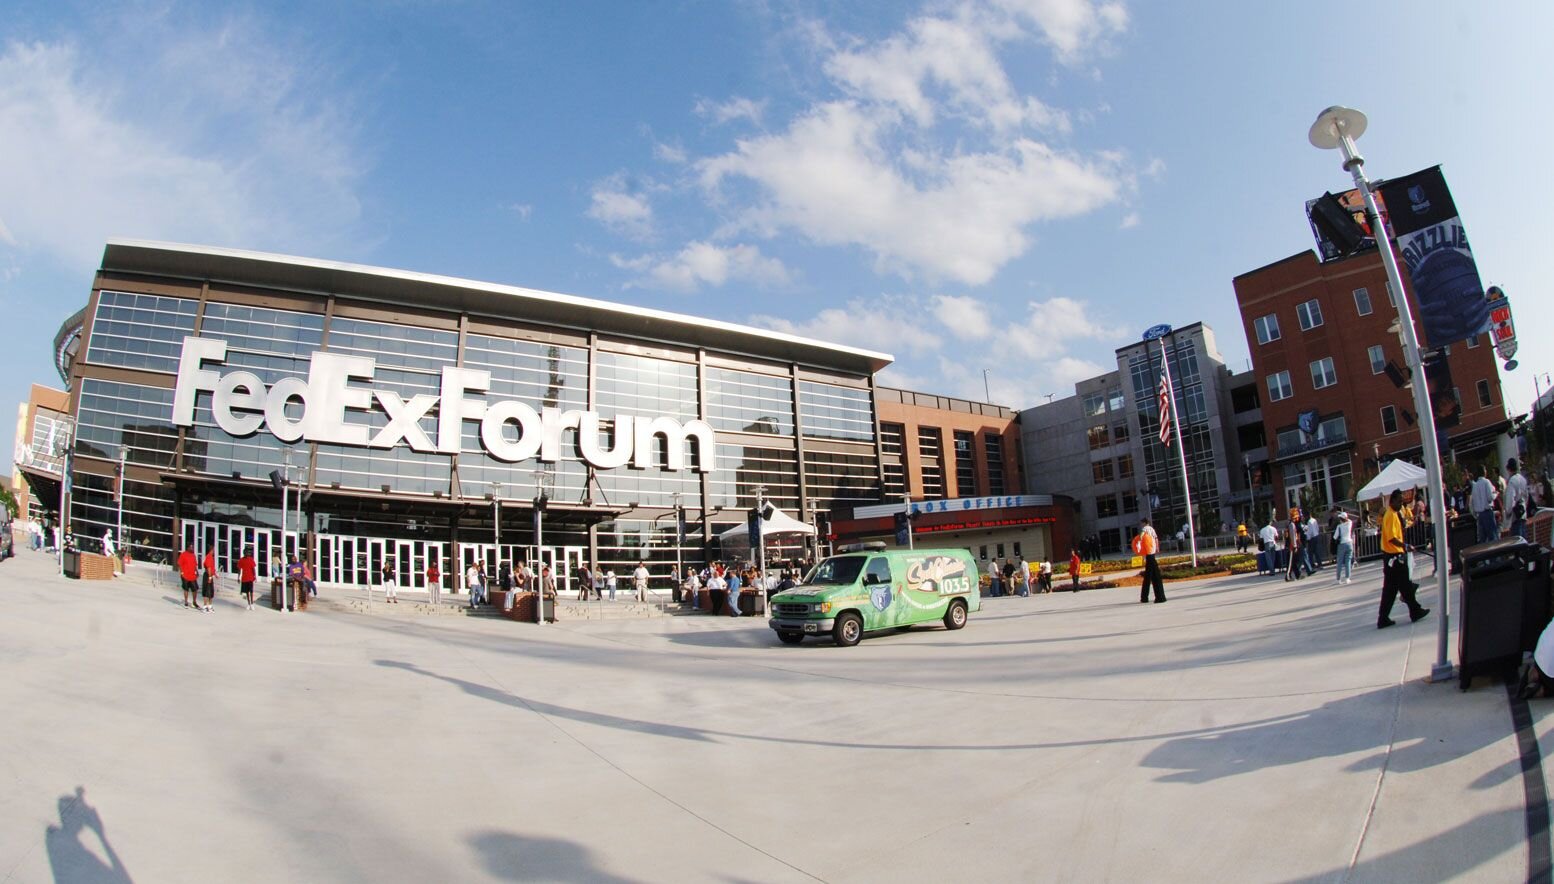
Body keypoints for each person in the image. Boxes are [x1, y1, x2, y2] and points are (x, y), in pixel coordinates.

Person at [1378, 488, 1429, 629]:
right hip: (1394, 557)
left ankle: (1383, 618)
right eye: (1399, 501)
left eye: (1402, 501)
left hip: (1392, 557)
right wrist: (1405, 545)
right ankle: (1415, 611)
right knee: (1405, 586)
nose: (1401, 504)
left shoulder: (1394, 513)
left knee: (1390, 590)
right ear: (1392, 500)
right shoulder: (1390, 515)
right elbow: (1391, 538)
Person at [1470, 464, 1499, 545]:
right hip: (1487, 512)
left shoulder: (1475, 486)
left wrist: (1475, 514)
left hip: (1480, 515)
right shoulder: (1486, 482)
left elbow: (1472, 502)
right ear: (1484, 472)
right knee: (1492, 537)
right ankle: (1495, 557)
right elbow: (1490, 497)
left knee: (1483, 540)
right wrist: (1496, 494)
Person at [1138, 518, 1165, 603]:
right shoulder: (1152, 529)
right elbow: (1156, 539)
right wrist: (1157, 549)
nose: (1141, 524)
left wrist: (1139, 542)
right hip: (1152, 553)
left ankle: (1150, 597)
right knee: (1152, 575)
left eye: (1141, 523)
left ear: (1145, 523)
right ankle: (1147, 597)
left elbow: (1142, 535)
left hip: (1148, 553)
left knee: (1150, 576)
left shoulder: (1145, 528)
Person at [1505, 458, 1530, 541]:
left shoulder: (1511, 481)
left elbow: (1510, 500)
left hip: (1515, 516)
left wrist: (1508, 513)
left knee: (1517, 541)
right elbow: (1526, 496)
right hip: (1523, 512)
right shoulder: (1522, 479)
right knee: (1524, 538)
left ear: (1508, 469)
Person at [1332, 511, 1355, 585]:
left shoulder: (1339, 526)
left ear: (1341, 519)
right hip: (1349, 543)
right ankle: (1347, 578)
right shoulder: (1349, 523)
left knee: (1339, 562)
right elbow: (1349, 520)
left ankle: (1338, 579)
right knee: (1348, 561)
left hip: (1342, 544)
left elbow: (1335, 537)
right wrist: (1346, 518)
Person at [238, 546, 257, 610]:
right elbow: (239, 569)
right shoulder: (241, 560)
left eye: (248, 552)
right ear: (244, 553)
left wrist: (255, 576)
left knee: (251, 591)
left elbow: (253, 568)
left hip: (250, 578)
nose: (247, 553)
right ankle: (249, 604)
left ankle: (252, 603)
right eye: (246, 552)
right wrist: (238, 577)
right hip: (244, 578)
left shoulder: (251, 559)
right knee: (246, 592)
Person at [200, 547, 217, 612]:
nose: (214, 552)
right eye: (213, 550)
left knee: (210, 592)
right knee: (206, 591)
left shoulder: (211, 557)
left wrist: (215, 574)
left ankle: (210, 606)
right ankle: (205, 606)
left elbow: (212, 568)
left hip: (210, 575)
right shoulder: (209, 557)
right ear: (211, 550)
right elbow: (209, 568)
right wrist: (210, 577)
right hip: (207, 576)